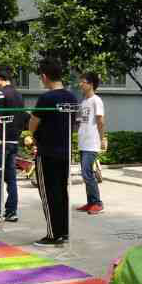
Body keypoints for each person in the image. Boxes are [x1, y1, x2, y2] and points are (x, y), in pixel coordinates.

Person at [27, 60, 77, 246]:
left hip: (47, 152)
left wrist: (33, 135)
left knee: (49, 194)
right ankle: (64, 231)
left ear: (44, 76)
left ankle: (53, 234)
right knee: (62, 192)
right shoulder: (72, 97)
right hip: (65, 152)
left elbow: (33, 123)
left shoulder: (46, 98)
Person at [0, 64, 25, 223]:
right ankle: (11, 211)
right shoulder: (19, 95)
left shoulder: (0, 93)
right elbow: (22, 118)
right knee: (11, 178)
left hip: (1, 141)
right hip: (14, 140)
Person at [75, 71, 106, 215]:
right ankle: (90, 202)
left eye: (83, 82)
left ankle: (98, 203)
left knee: (87, 173)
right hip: (83, 142)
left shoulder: (96, 100)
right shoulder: (84, 101)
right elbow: (81, 121)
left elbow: (100, 121)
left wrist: (103, 138)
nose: (80, 84)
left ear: (91, 84)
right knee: (85, 174)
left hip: (92, 143)